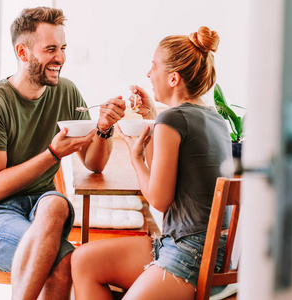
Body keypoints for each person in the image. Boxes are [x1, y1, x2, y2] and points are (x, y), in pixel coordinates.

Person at [0, 6, 125, 300]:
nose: (60, 58)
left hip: (40, 208)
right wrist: (52, 153)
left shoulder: (66, 92)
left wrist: (103, 128)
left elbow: (95, 164)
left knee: (56, 205)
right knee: (60, 262)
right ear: (23, 53)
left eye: (62, 48)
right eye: (50, 49)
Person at [71, 26, 234, 300]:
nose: (148, 74)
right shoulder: (212, 117)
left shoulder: (172, 120)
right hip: (201, 249)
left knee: (84, 262)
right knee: (84, 260)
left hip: (190, 256)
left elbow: (159, 199)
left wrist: (134, 156)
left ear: (173, 78)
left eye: (154, 66)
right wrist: (152, 116)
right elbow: (164, 172)